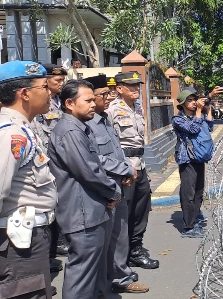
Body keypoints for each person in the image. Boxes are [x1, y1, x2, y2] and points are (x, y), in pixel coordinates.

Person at [0, 61, 57, 298]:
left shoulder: (24, 128)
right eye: (44, 87)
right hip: (16, 245)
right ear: (24, 93)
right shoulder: (10, 134)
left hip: (28, 240)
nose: (50, 92)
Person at [48, 79, 121, 299]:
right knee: (82, 274)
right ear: (69, 103)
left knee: (94, 271)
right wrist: (113, 191)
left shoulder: (80, 128)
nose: (93, 104)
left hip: (92, 209)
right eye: (87, 100)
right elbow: (89, 171)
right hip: (82, 213)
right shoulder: (70, 131)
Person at [84, 75, 149, 294]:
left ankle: (121, 271)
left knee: (125, 226)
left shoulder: (104, 119)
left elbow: (116, 149)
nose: (105, 98)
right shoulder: (91, 122)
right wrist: (125, 170)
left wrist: (128, 169)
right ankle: (109, 279)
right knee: (110, 233)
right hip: (109, 181)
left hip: (127, 172)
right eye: (102, 95)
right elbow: (95, 157)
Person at [107, 72, 159, 269]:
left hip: (140, 164)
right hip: (124, 166)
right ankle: (121, 255)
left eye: (137, 86)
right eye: (131, 86)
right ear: (119, 89)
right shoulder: (112, 109)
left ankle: (136, 249)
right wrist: (123, 168)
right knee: (124, 212)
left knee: (141, 208)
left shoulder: (138, 107)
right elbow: (110, 143)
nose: (136, 89)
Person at [31, 63, 69, 268]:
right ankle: (47, 254)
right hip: (44, 161)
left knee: (56, 204)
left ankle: (54, 247)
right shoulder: (40, 105)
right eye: (57, 81)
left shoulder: (57, 101)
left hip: (56, 161)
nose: (61, 84)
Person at [172, 86, 222, 237]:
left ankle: (195, 220)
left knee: (199, 192)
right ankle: (188, 227)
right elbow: (193, 129)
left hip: (200, 158)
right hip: (187, 160)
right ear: (182, 103)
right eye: (190, 100)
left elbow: (210, 126)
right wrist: (200, 112)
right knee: (188, 193)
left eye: (195, 100)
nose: (194, 103)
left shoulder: (198, 115)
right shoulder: (178, 120)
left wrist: (208, 105)